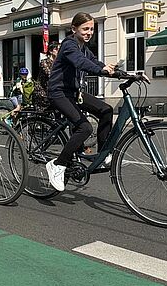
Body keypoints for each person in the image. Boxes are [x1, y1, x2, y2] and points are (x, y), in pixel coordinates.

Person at [46, 12, 117, 192]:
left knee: (106, 110)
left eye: (92, 29)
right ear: (74, 29)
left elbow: (94, 62)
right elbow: (80, 63)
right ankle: (58, 165)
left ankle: (103, 154)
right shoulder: (69, 45)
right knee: (85, 128)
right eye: (85, 29)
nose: (89, 32)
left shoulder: (84, 47)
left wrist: (127, 74)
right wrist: (102, 71)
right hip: (59, 93)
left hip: (74, 92)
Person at [32, 41, 60, 112]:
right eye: (57, 49)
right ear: (50, 51)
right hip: (43, 94)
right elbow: (50, 75)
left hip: (53, 92)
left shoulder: (58, 63)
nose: (59, 51)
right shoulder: (44, 62)